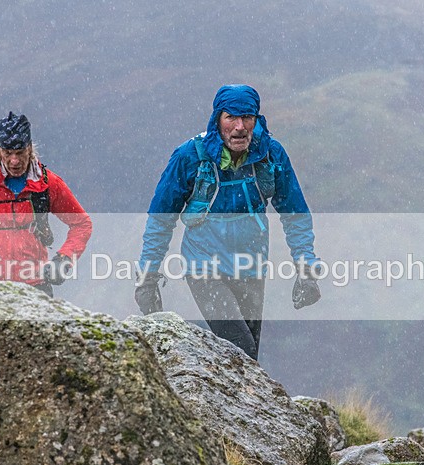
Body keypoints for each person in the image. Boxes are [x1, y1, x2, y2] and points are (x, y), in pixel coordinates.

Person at [136, 84, 322, 360]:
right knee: (240, 348)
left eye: (247, 117)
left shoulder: (271, 154)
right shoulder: (190, 157)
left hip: (251, 266)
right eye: (231, 117)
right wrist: (147, 278)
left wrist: (306, 269)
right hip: (204, 267)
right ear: (217, 120)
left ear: (257, 119)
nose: (239, 127)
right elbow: (161, 220)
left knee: (248, 356)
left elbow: (295, 215)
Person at [0, 111, 92, 297]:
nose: (14, 161)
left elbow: (82, 224)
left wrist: (64, 259)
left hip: (35, 285)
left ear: (30, 148)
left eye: (20, 153)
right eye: (8, 153)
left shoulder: (48, 183)